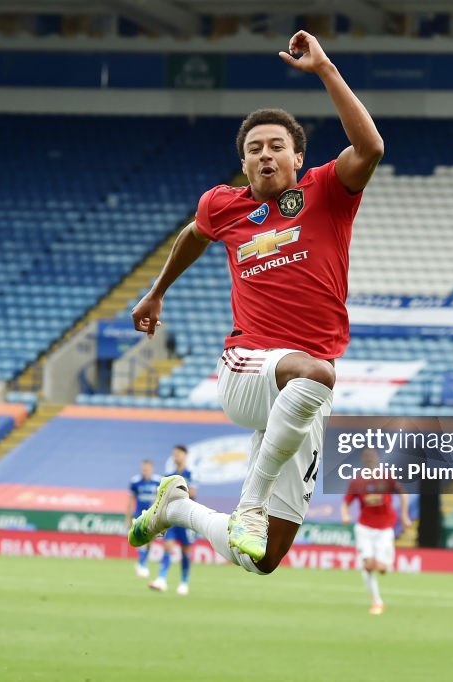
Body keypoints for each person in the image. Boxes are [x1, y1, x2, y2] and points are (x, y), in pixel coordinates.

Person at [129, 30, 383, 576]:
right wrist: (157, 291)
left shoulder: (328, 193)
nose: (265, 154)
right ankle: (249, 502)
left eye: (275, 146)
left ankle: (179, 507)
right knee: (315, 372)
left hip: (304, 392)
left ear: (297, 155)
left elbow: (371, 149)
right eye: (253, 149)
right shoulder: (223, 206)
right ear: (243, 164)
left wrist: (325, 71)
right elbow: (194, 234)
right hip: (249, 369)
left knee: (263, 558)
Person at [341, 449, 410, 615]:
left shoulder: (387, 478)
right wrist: (345, 514)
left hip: (385, 528)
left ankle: (386, 562)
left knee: (382, 568)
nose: (370, 463)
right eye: (368, 461)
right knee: (368, 565)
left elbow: (403, 495)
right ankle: (376, 601)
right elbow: (346, 502)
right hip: (365, 528)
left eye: (373, 460)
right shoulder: (357, 482)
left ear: (377, 461)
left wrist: (405, 516)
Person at [149, 445, 197, 595]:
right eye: (174, 454)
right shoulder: (169, 475)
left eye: (179, 454)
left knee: (185, 551)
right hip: (171, 517)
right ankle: (161, 579)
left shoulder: (191, 474)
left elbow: (193, 493)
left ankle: (184, 583)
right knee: (167, 546)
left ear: (185, 455)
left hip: (186, 516)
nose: (176, 456)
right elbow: (162, 496)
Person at [126, 459, 161, 579]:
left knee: (150, 541)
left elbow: (160, 499)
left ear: (152, 469)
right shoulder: (135, 482)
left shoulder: (158, 481)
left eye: (147, 469)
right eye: (143, 469)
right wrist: (128, 518)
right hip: (139, 515)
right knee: (142, 539)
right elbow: (130, 501)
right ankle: (142, 564)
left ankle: (142, 562)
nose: (145, 471)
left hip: (152, 516)